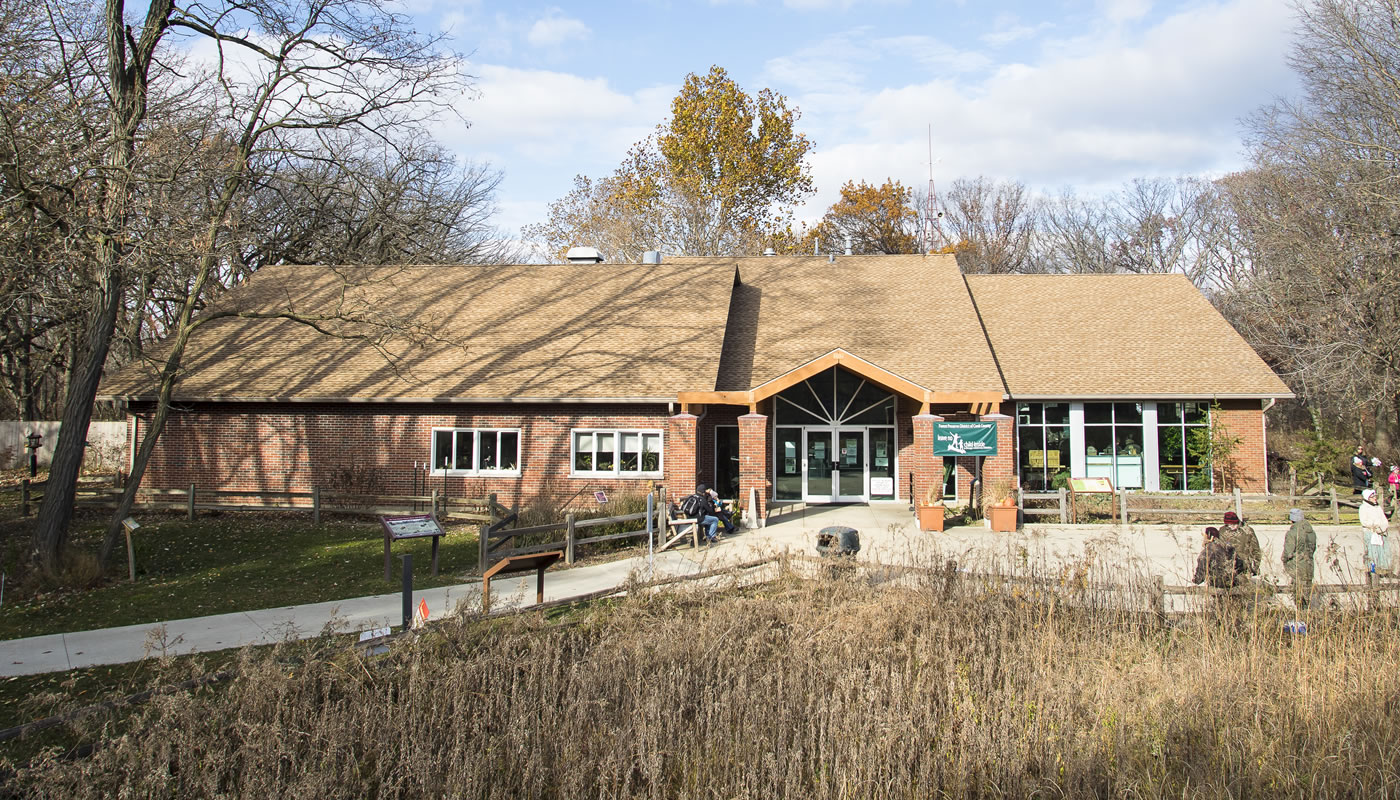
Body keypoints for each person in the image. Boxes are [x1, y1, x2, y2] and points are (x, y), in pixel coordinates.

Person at [1282, 508, 1317, 610]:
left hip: (1297, 567)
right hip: (1309, 565)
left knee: (1298, 595)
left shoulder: (1292, 533)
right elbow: (1313, 548)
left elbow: (1288, 553)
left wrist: (1285, 562)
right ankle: (1307, 615)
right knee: (1307, 592)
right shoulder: (1311, 532)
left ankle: (1301, 618)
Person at [1219, 511, 1261, 577]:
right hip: (1229, 568)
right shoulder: (1223, 531)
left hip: (1245, 567)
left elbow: (1256, 551)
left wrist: (1255, 568)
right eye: (1228, 525)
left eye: (1233, 524)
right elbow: (1219, 549)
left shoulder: (1248, 531)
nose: (1231, 527)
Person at [1359, 488, 1390, 575]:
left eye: (1375, 496)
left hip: (1381, 532)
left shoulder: (1377, 507)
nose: (1375, 498)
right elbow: (1364, 521)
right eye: (1372, 497)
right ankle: (1372, 569)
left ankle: (1383, 569)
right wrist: (1375, 525)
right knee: (1372, 551)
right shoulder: (1363, 508)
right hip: (1371, 532)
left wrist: (1383, 527)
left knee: (1382, 551)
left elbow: (1384, 519)